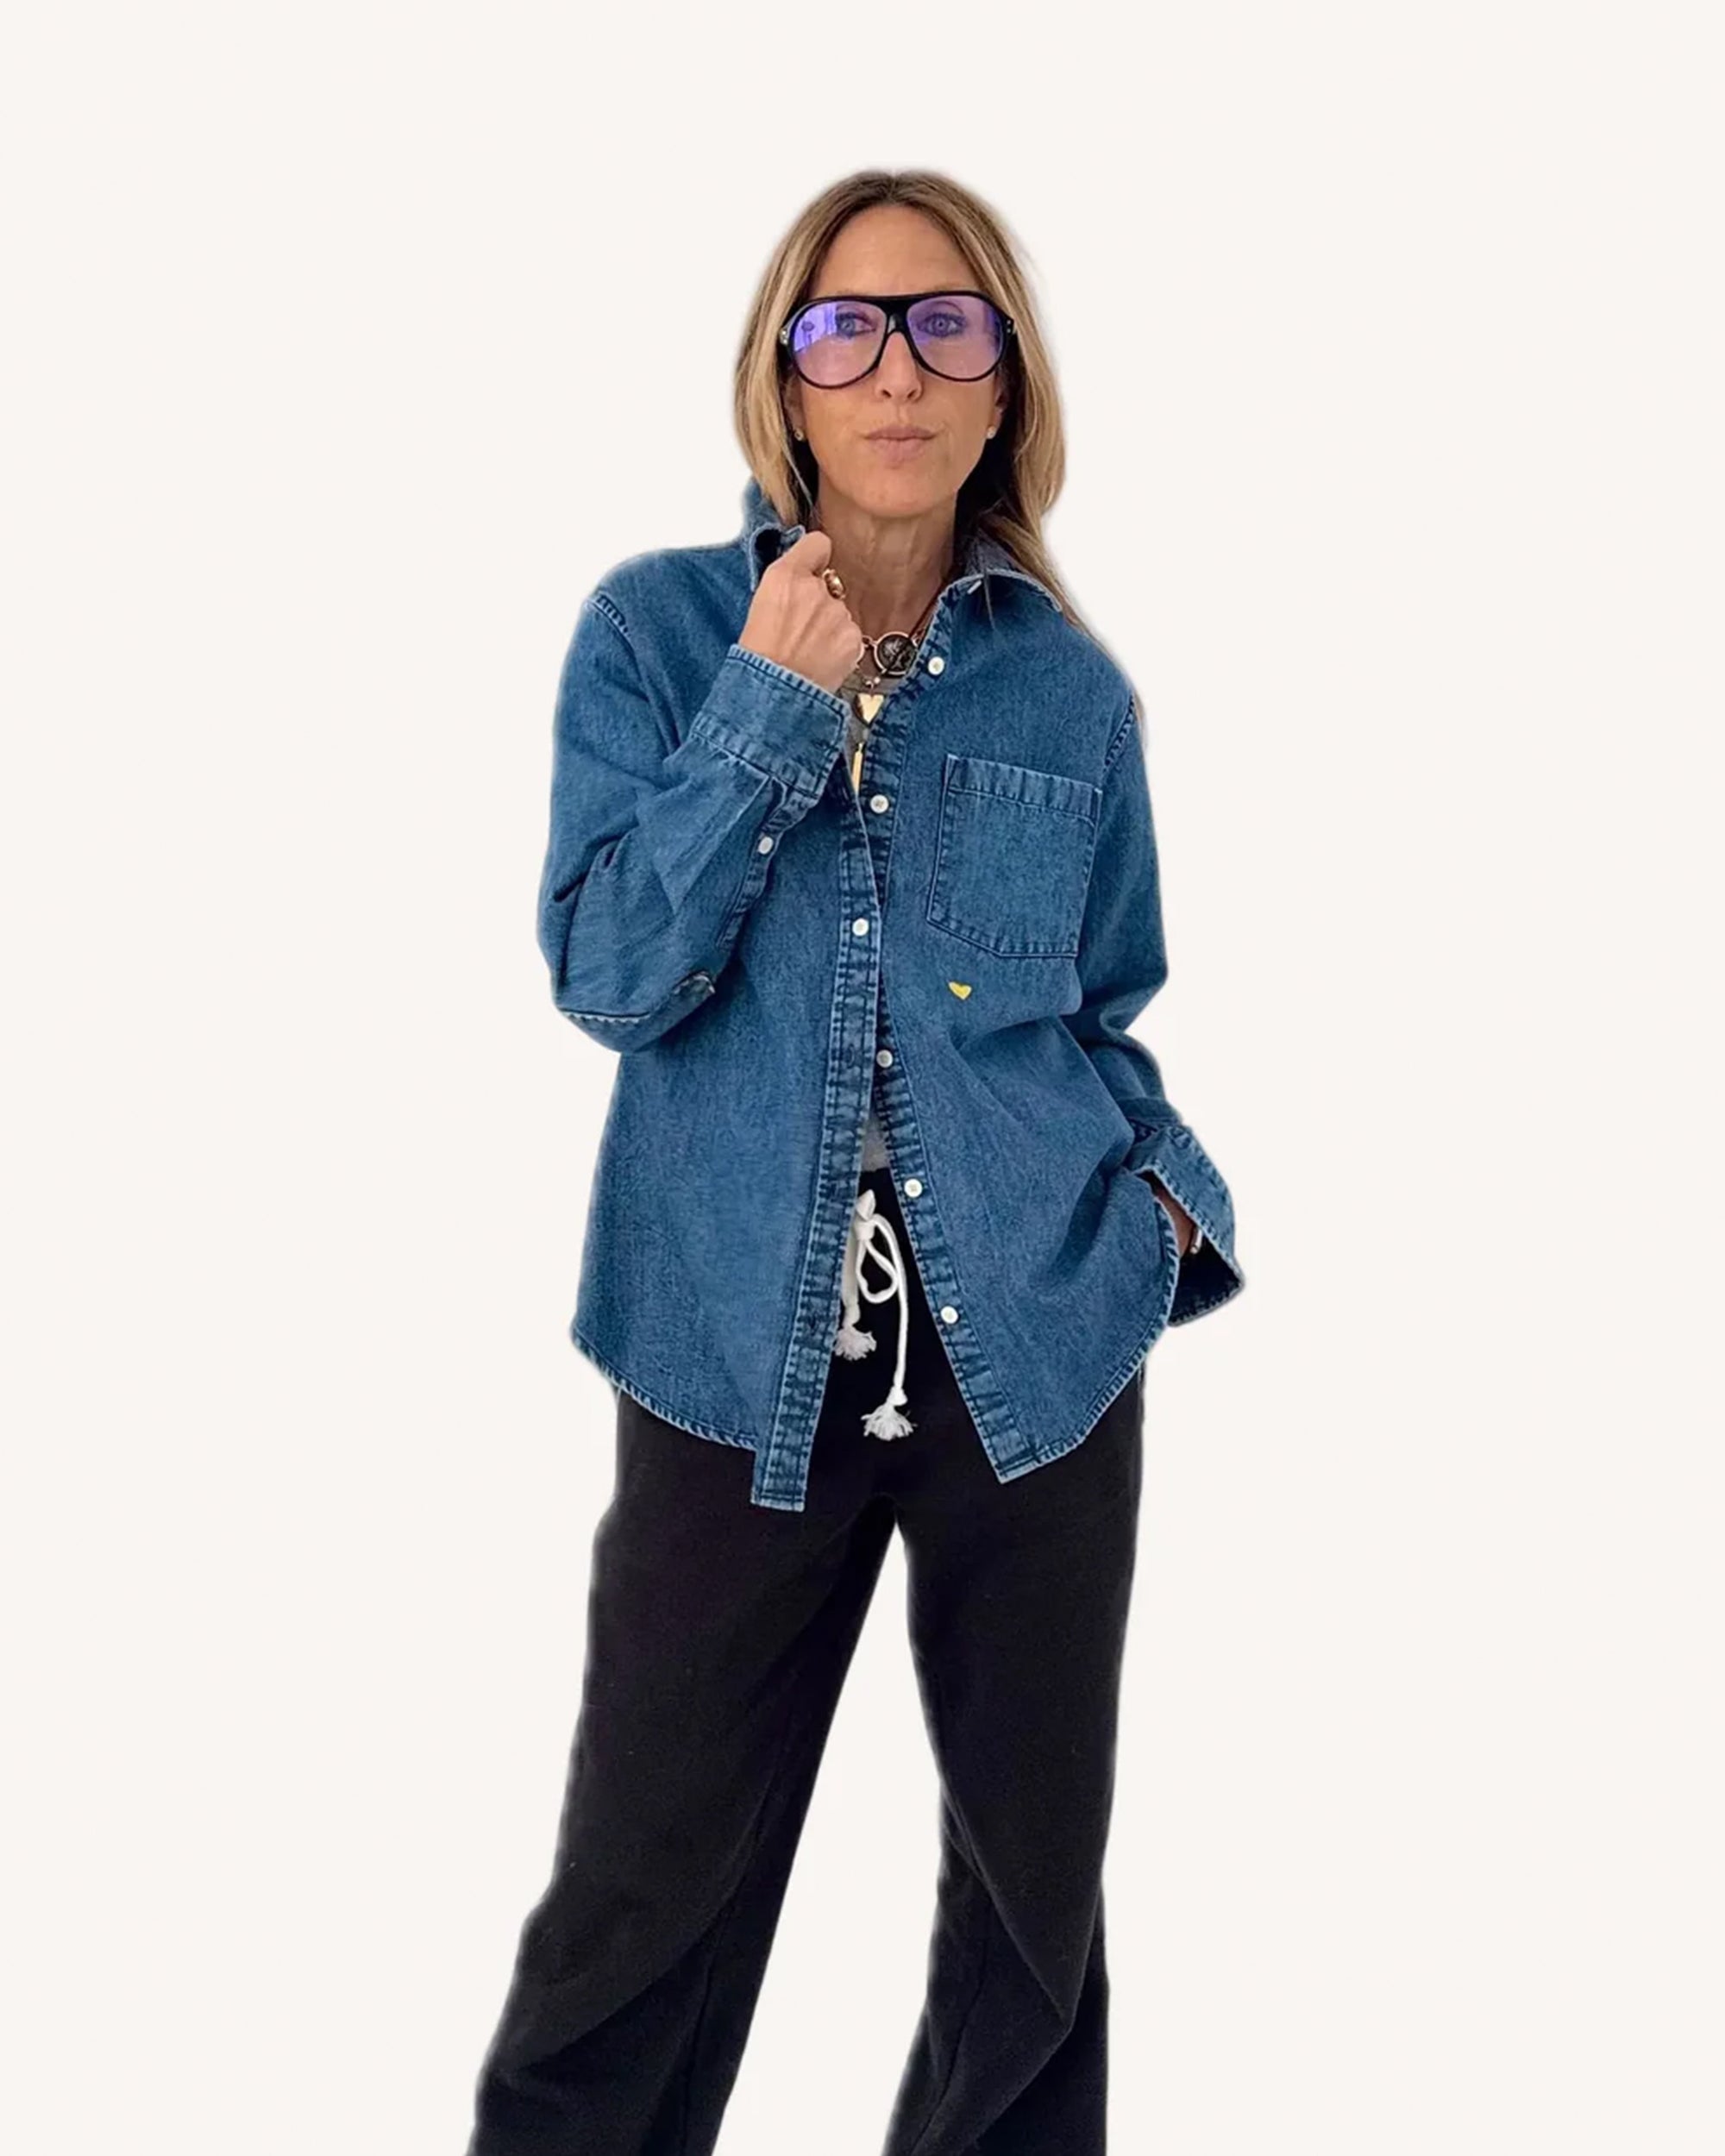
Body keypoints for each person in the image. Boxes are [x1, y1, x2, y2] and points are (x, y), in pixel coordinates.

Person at [464, 167, 1245, 2156]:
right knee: (642, 1898)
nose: (895, 365)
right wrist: (768, 706)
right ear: (785, 385)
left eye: (946, 324)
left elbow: (1103, 1000)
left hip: (1040, 1356)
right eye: (845, 327)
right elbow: (612, 976)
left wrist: (1161, 1210)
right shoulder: (656, 632)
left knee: (1028, 1917)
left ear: (1002, 390)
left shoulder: (1070, 690)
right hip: (732, 1348)